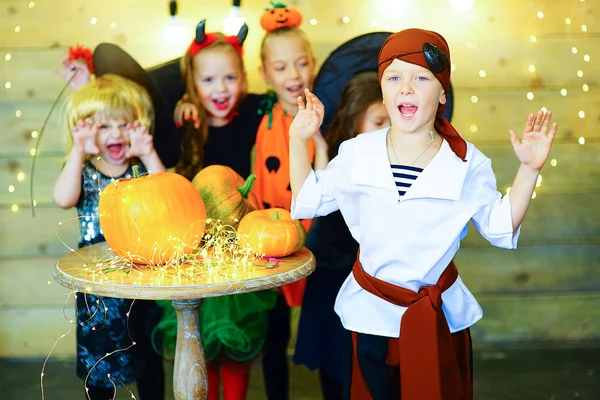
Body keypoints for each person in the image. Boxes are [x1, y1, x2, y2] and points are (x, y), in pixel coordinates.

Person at [288, 28, 557, 399]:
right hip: (373, 312)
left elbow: (500, 226)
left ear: (443, 92)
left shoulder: (466, 163)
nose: (406, 87)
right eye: (394, 78)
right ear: (382, 90)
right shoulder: (356, 153)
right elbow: (307, 199)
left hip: (438, 318)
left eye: (421, 77)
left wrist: (528, 170)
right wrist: (297, 139)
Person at [159, 20, 277, 400]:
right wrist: (183, 106)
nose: (220, 89)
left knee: (238, 337)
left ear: (243, 78)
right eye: (208, 80)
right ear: (192, 84)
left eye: (229, 77)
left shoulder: (255, 114)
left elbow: (281, 97)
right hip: (198, 247)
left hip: (241, 242)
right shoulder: (186, 125)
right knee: (203, 337)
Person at [52, 72, 167, 400]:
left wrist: (147, 153)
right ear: (86, 130)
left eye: (124, 124)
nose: (115, 133)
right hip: (96, 286)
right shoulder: (85, 170)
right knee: (98, 361)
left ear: (140, 125)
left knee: (147, 355)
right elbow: (62, 198)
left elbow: (171, 195)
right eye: (104, 126)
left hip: (141, 278)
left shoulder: (141, 169)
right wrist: (77, 152)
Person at [294, 71, 390, 400]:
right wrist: (316, 145)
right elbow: (311, 199)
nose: (389, 132)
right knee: (336, 363)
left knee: (372, 367)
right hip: (335, 273)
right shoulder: (343, 163)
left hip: (376, 281)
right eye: (379, 123)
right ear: (353, 126)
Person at [253, 4, 327, 399]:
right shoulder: (257, 114)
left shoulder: (325, 113)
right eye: (280, 68)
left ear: (313, 64)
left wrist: (319, 144)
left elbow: (329, 180)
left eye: (301, 64)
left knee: (323, 329)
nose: (293, 76)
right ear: (264, 74)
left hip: (319, 237)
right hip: (271, 241)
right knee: (273, 335)